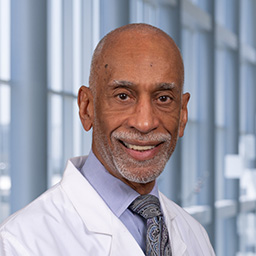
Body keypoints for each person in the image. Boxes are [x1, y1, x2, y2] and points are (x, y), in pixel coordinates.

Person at [0, 23, 215, 255]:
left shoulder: (195, 235)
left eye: (163, 98)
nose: (144, 123)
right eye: (123, 96)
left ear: (182, 114)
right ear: (87, 108)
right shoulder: (20, 243)